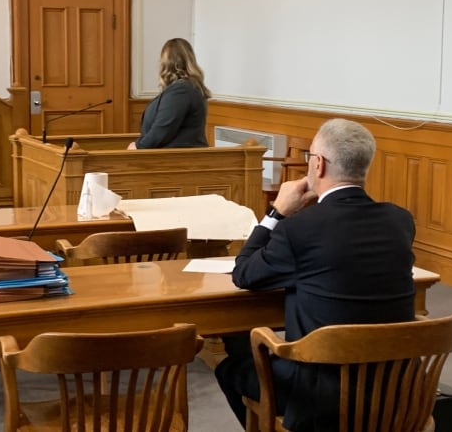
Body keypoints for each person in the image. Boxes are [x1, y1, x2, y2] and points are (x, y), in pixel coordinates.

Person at [215, 118, 417, 432]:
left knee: (232, 366)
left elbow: (243, 273)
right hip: (394, 391)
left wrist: (277, 212)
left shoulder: (299, 228)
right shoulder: (400, 221)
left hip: (320, 399)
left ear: (317, 164)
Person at [127, 38, 211, 149]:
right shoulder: (186, 87)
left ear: (167, 62)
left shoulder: (181, 91)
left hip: (175, 160)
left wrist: (138, 146)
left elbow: (163, 128)